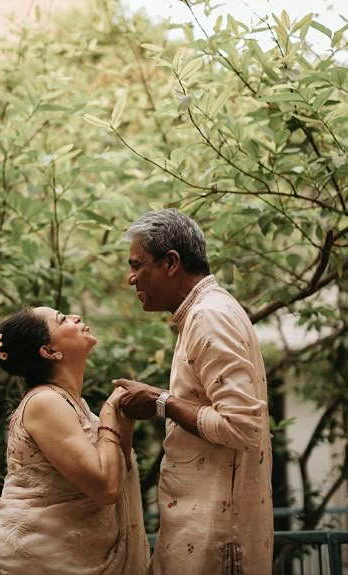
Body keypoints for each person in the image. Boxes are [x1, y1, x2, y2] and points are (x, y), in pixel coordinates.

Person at [113, 209, 274, 575]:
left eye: (137, 265)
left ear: (171, 262)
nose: (130, 277)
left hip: (218, 543)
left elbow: (241, 426)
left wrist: (160, 403)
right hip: (202, 533)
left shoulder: (209, 316)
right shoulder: (201, 313)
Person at [0, 306, 149, 575]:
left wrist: (123, 417)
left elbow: (116, 471)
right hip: (41, 559)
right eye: (62, 320)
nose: (75, 318)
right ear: (49, 351)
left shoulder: (74, 404)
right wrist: (109, 412)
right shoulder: (44, 402)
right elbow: (106, 488)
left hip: (72, 555)